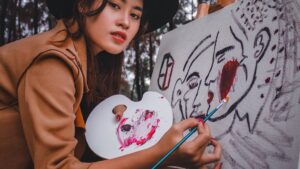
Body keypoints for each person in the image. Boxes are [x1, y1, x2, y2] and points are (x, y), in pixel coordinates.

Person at [0, 0, 222, 168]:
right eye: (115, 5)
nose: (125, 22)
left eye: (135, 15)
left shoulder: (89, 63)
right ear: (83, 5)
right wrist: (161, 154)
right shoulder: (53, 61)